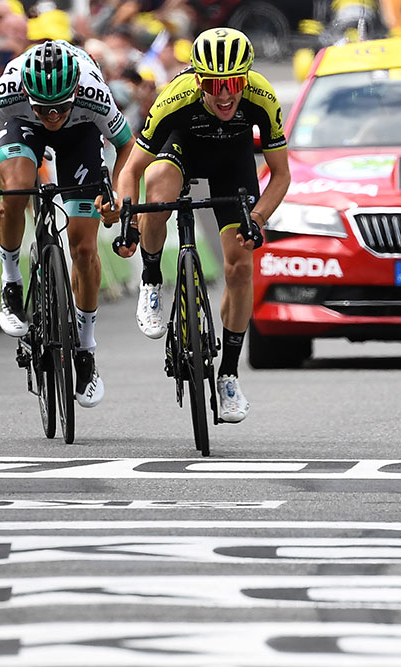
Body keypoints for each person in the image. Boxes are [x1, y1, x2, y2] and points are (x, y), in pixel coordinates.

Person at [115, 27, 290, 423]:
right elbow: (130, 172)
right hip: (181, 151)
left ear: (245, 78)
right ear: (198, 80)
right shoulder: (174, 98)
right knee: (158, 185)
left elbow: (280, 175)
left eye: (233, 83)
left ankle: (228, 373)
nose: (225, 94)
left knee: (240, 266)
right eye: (213, 84)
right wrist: (129, 218)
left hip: (233, 163)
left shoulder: (262, 96)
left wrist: (258, 219)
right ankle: (152, 278)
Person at [0, 39, 135, 408]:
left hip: (81, 135)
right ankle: (12, 282)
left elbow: (127, 146)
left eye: (60, 108)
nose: (52, 116)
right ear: (29, 95)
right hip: (23, 127)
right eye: (45, 109)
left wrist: (116, 194)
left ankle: (86, 349)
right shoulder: (9, 89)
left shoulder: (92, 92)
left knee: (84, 247)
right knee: (17, 189)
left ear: (74, 93)